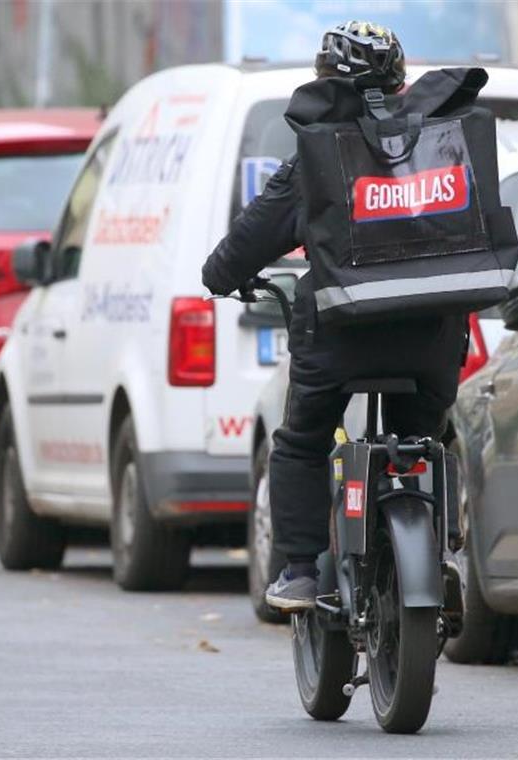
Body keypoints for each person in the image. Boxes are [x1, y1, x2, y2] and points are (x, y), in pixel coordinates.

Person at [201, 21, 469, 612]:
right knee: (427, 436)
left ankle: (298, 571)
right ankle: (444, 544)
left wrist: (218, 276)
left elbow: (247, 244)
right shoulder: (440, 144)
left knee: (300, 441)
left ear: (324, 80)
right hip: (430, 337)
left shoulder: (317, 155)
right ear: (399, 82)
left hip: (340, 337)